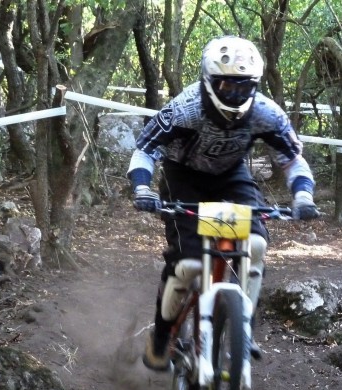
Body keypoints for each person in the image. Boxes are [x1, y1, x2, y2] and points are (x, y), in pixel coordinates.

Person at [127, 35, 320, 371]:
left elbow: (292, 159)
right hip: (183, 177)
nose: (235, 94)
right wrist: (143, 188)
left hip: (231, 176)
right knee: (188, 265)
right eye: (227, 86)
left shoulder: (265, 112)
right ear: (209, 81)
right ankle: (161, 336)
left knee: (256, 244)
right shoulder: (185, 108)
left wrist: (303, 194)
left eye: (244, 87)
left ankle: (243, 325)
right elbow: (146, 149)